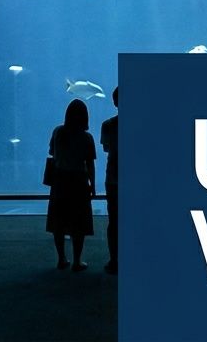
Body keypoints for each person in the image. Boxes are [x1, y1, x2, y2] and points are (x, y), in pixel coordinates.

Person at [47, 98, 96, 272]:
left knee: (58, 220)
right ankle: (77, 261)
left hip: (59, 180)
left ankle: (61, 259)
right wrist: (93, 186)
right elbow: (90, 164)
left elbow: (52, 153)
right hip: (78, 181)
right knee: (78, 222)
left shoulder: (58, 132)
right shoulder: (86, 137)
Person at [99, 87, 118, 274]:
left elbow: (105, 148)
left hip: (113, 177)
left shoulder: (107, 125)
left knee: (113, 220)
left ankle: (114, 260)